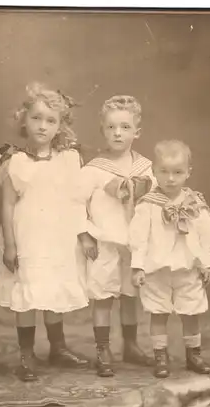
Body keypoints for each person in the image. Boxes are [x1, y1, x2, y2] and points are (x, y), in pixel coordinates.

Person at [0, 82, 89, 382]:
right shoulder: (14, 161)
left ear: (60, 126)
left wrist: (82, 234)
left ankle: (58, 347)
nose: (42, 126)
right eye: (36, 118)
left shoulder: (69, 159)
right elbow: (7, 206)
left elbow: (77, 200)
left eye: (50, 120)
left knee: (53, 290)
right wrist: (10, 245)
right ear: (23, 119)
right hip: (27, 238)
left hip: (58, 238)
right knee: (28, 294)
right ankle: (26, 354)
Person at [76, 95, 154, 377]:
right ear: (103, 130)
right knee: (104, 296)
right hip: (104, 242)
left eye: (124, 127)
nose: (117, 133)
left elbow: (154, 201)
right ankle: (103, 348)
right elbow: (75, 204)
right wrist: (85, 236)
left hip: (132, 243)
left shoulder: (144, 167)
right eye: (111, 128)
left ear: (137, 131)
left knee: (130, 294)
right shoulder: (94, 169)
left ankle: (131, 344)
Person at [129, 140, 210, 378]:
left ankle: (193, 354)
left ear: (189, 172)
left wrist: (208, 262)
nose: (170, 179)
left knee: (191, 312)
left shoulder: (195, 203)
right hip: (156, 269)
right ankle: (161, 355)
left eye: (177, 172)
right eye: (164, 172)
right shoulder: (148, 204)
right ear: (154, 172)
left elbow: (208, 232)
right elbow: (138, 237)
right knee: (158, 312)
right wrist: (137, 266)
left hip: (188, 267)